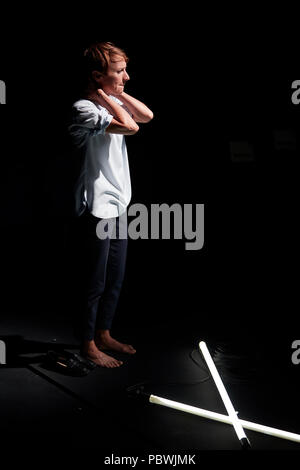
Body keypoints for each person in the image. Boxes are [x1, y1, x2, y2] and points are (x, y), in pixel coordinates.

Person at [68, 41, 153, 368]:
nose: (127, 77)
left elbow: (146, 116)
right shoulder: (83, 109)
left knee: (116, 277)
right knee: (95, 281)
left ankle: (103, 333)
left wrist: (112, 93)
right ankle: (88, 344)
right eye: (119, 72)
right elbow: (131, 127)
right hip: (95, 205)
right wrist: (104, 96)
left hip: (118, 202)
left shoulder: (110, 101)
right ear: (96, 76)